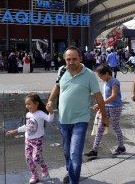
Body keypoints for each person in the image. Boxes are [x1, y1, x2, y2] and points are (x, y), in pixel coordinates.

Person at [46, 46, 109, 184]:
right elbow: (57, 86)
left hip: (81, 119)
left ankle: (73, 181)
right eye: (68, 59)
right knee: (67, 151)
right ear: (64, 60)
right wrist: (50, 100)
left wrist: (104, 116)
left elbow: (98, 97)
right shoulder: (62, 70)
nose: (71, 62)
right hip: (63, 118)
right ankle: (71, 172)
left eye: (74, 59)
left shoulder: (89, 75)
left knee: (75, 152)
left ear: (81, 59)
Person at [6, 94, 54, 184]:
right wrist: (15, 131)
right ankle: (35, 175)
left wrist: (51, 112)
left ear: (36, 103)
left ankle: (44, 167)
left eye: (29, 104)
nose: (27, 106)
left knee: (36, 157)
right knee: (28, 158)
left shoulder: (40, 113)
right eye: (26, 104)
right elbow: (27, 126)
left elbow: (49, 119)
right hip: (28, 140)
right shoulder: (28, 114)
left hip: (38, 140)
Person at [85, 65, 126, 158]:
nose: (100, 78)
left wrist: (100, 103)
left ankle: (121, 146)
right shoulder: (105, 83)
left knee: (116, 127)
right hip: (105, 108)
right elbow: (104, 96)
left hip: (115, 107)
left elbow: (113, 96)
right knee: (100, 128)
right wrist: (101, 106)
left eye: (101, 76)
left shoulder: (114, 82)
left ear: (107, 73)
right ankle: (94, 149)